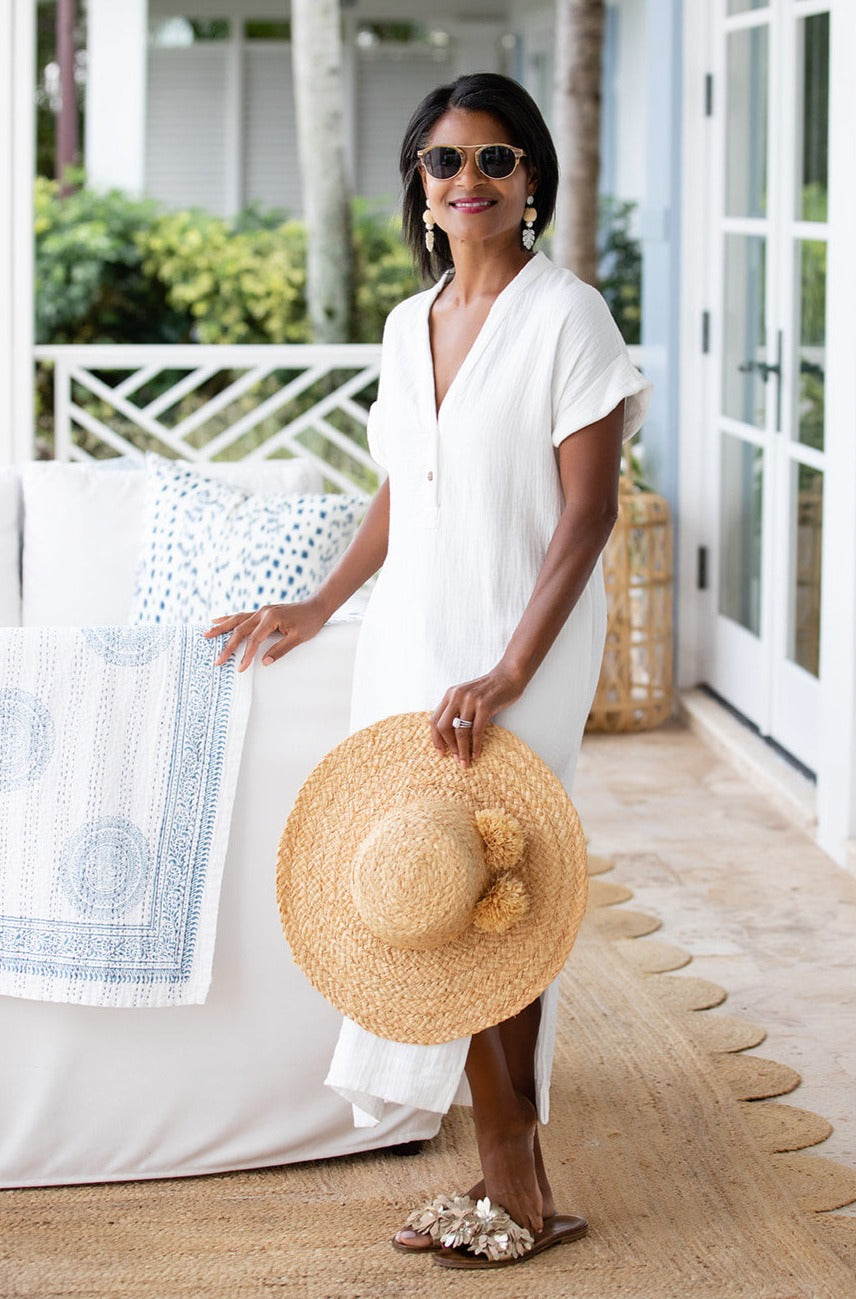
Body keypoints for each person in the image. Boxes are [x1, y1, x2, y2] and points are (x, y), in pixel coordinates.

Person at [207, 71, 650, 1266]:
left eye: (495, 159)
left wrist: (507, 670)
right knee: (430, 892)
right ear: (418, 180)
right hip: (410, 638)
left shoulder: (569, 319)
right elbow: (404, 489)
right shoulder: (410, 325)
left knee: (505, 895)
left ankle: (517, 1181)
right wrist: (318, 605)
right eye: (445, 160)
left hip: (520, 646)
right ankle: (513, 1181)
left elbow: (587, 516)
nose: (468, 180)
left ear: (530, 179)